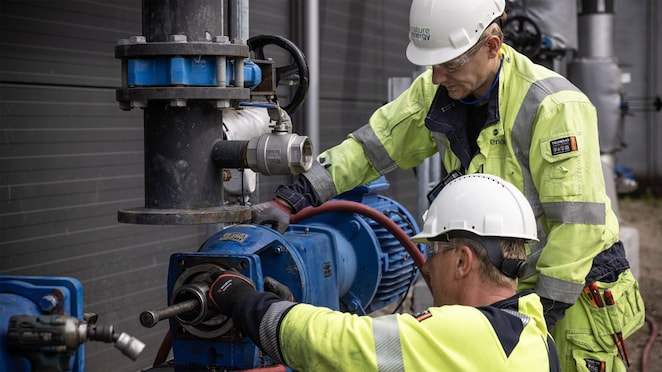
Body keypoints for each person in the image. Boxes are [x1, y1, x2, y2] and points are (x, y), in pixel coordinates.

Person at [251, 0, 645, 370]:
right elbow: (373, 147)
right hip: (505, 283)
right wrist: (294, 198)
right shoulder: (438, 89)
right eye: (432, 64)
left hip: (573, 291)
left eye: (449, 64)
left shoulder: (552, 106)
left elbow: (577, 228)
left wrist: (537, 315)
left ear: (493, 46)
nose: (437, 76)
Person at [210, 174, 560, 371]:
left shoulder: (460, 331)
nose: (426, 263)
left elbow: (332, 343)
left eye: (434, 250)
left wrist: (245, 300)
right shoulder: (538, 340)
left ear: (462, 261)